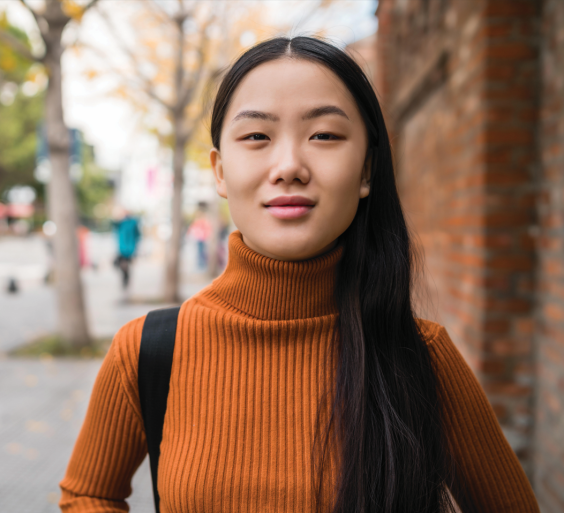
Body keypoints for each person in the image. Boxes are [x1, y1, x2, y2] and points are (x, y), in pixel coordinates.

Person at [60, 37, 538, 513]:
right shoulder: (146, 352)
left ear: (367, 170)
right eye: (256, 137)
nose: (288, 166)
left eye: (324, 135)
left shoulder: (422, 359)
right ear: (220, 172)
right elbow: (88, 494)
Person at [113, 210, 141, 290]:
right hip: (123, 248)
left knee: (125, 265)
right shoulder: (121, 222)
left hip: (129, 248)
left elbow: (137, 235)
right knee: (122, 265)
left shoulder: (133, 223)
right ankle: (125, 279)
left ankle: (126, 280)